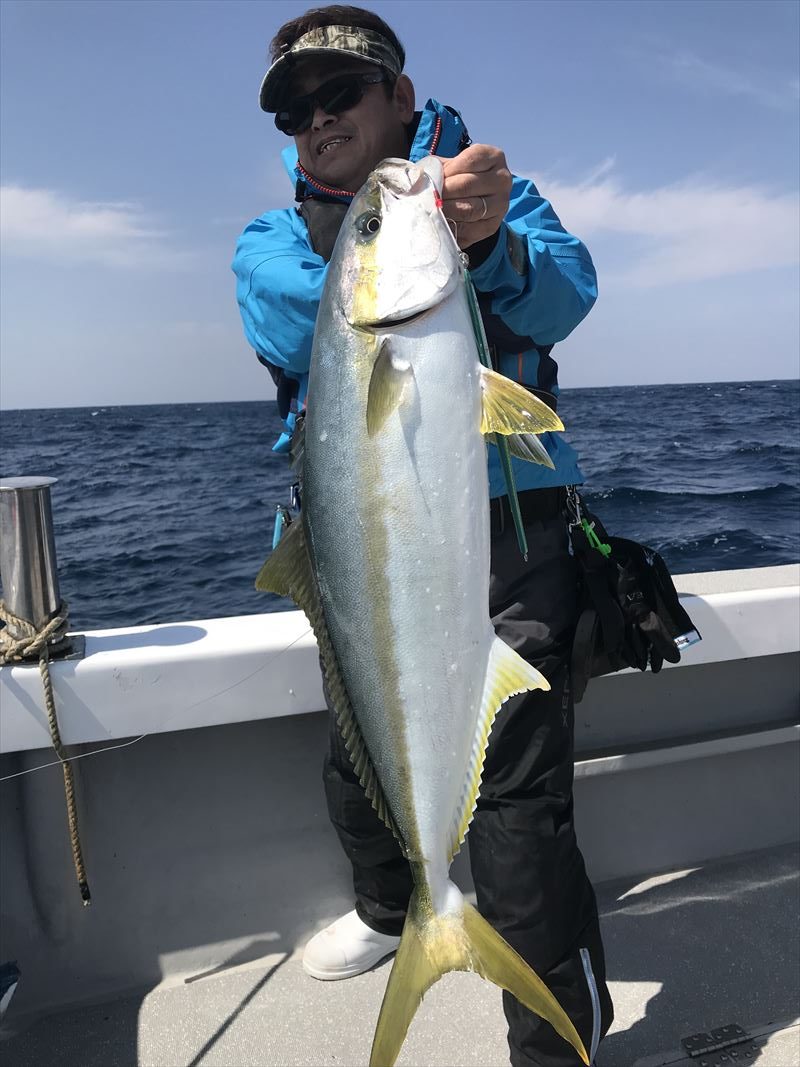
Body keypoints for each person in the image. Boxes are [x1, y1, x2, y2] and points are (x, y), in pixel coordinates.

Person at [232, 6, 614, 1064]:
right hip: (353, 548)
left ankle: (555, 1046)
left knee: (517, 804)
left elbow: (567, 292)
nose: (316, 122)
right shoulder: (275, 236)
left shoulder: (499, 197)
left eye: (337, 94)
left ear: (399, 96)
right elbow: (288, 311)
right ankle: (395, 902)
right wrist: (391, 232)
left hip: (510, 533)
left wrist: (486, 240)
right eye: (294, 112)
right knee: (357, 752)